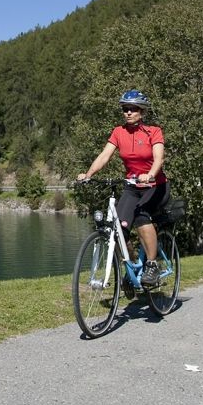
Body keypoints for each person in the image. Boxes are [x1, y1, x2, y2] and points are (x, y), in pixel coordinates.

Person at [77, 89, 168, 287]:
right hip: (132, 186)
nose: (128, 112)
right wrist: (88, 174)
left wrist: (151, 174)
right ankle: (133, 265)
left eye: (133, 109)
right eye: (125, 109)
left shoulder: (154, 131)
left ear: (141, 112)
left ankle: (152, 265)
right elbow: (104, 156)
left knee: (142, 214)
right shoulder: (119, 132)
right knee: (119, 229)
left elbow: (159, 158)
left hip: (155, 185)